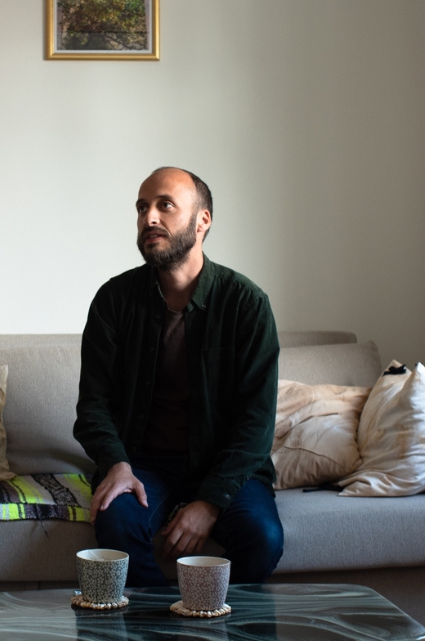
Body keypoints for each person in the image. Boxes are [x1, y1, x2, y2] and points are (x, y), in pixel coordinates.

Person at [74, 167, 284, 587]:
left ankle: (217, 626)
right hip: (141, 462)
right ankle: (162, 628)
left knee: (262, 538)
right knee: (117, 529)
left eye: (164, 205)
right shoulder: (114, 300)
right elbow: (93, 405)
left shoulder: (246, 304)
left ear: (202, 220)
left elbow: (256, 422)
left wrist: (210, 501)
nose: (149, 217)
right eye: (142, 207)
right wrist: (115, 464)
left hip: (222, 464)